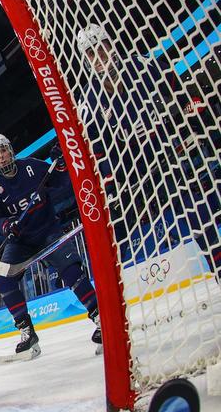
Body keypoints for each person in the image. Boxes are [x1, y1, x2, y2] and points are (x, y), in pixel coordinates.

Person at [74, 22, 220, 274]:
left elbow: (178, 89)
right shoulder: (89, 99)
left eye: (100, 48)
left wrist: (193, 113)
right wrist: (110, 181)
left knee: (202, 208)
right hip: (136, 170)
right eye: (90, 53)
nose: (97, 57)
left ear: (111, 46)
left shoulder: (141, 66)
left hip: (168, 150)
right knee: (190, 217)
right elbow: (99, 148)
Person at [0, 134, 102, 357]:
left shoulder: (32, 167)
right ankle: (27, 332)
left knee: (70, 270)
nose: (2, 156)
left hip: (47, 231)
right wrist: (6, 225)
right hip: (21, 241)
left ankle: (99, 317)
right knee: (3, 278)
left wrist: (59, 165)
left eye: (4, 150)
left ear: (11, 150)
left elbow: (61, 181)